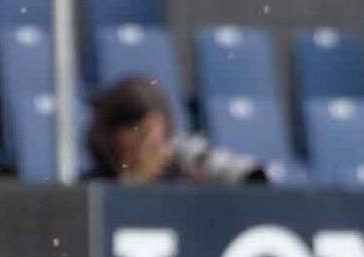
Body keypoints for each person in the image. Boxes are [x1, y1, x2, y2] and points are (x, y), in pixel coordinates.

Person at [87, 75, 268, 184]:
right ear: (118, 137)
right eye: (145, 136)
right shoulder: (91, 192)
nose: (157, 149)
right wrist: (135, 180)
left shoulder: (175, 180)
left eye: (162, 137)